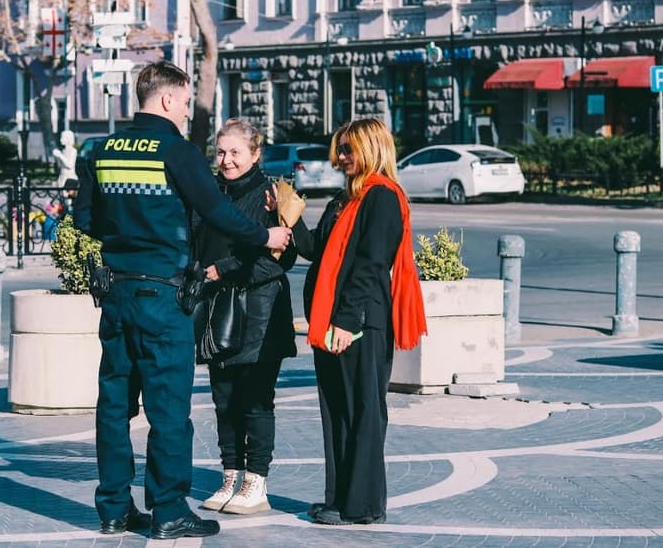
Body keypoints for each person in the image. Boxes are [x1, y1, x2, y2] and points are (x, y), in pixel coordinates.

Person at [73, 61, 292, 540]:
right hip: (162, 295)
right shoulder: (178, 152)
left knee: (114, 405)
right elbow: (217, 215)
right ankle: (169, 509)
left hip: (116, 293)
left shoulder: (101, 150)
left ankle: (113, 508)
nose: (189, 109)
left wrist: (125, 234)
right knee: (168, 409)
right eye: (188, 100)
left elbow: (85, 220)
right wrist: (267, 232)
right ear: (169, 99)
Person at [291, 118, 426, 526]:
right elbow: (316, 249)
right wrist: (289, 216)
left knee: (363, 410)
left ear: (371, 149)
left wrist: (347, 321)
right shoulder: (346, 198)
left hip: (361, 322)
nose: (341, 158)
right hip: (335, 318)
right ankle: (338, 499)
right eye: (340, 150)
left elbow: (371, 264)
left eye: (348, 150)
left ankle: (363, 505)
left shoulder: (381, 197)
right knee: (337, 410)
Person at [194, 119, 297, 516]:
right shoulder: (210, 194)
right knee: (223, 399)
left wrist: (224, 269)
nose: (227, 160)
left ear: (256, 154)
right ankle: (230, 474)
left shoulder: (271, 194)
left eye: (236, 152)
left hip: (260, 311)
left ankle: (256, 481)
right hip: (219, 310)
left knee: (254, 398)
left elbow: (280, 259)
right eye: (221, 152)